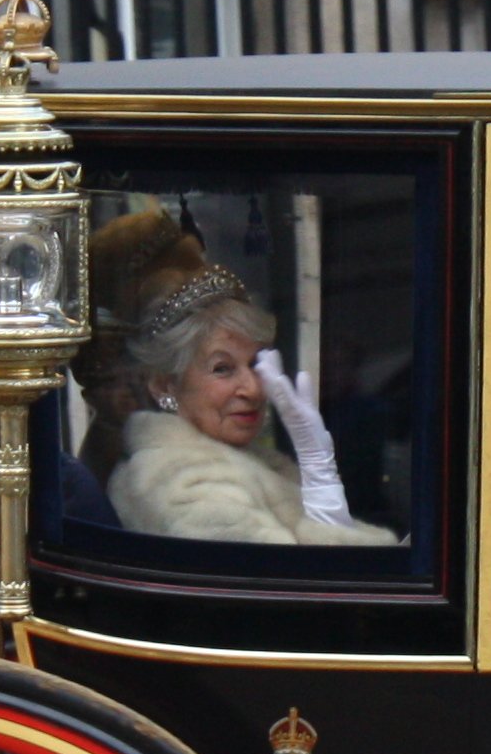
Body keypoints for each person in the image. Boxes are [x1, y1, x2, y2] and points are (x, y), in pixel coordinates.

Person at [90, 210, 397, 546]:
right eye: (222, 369)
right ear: (165, 385)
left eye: (255, 363)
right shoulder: (181, 479)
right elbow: (292, 585)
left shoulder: (248, 462)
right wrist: (322, 486)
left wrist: (319, 475)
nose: (252, 388)